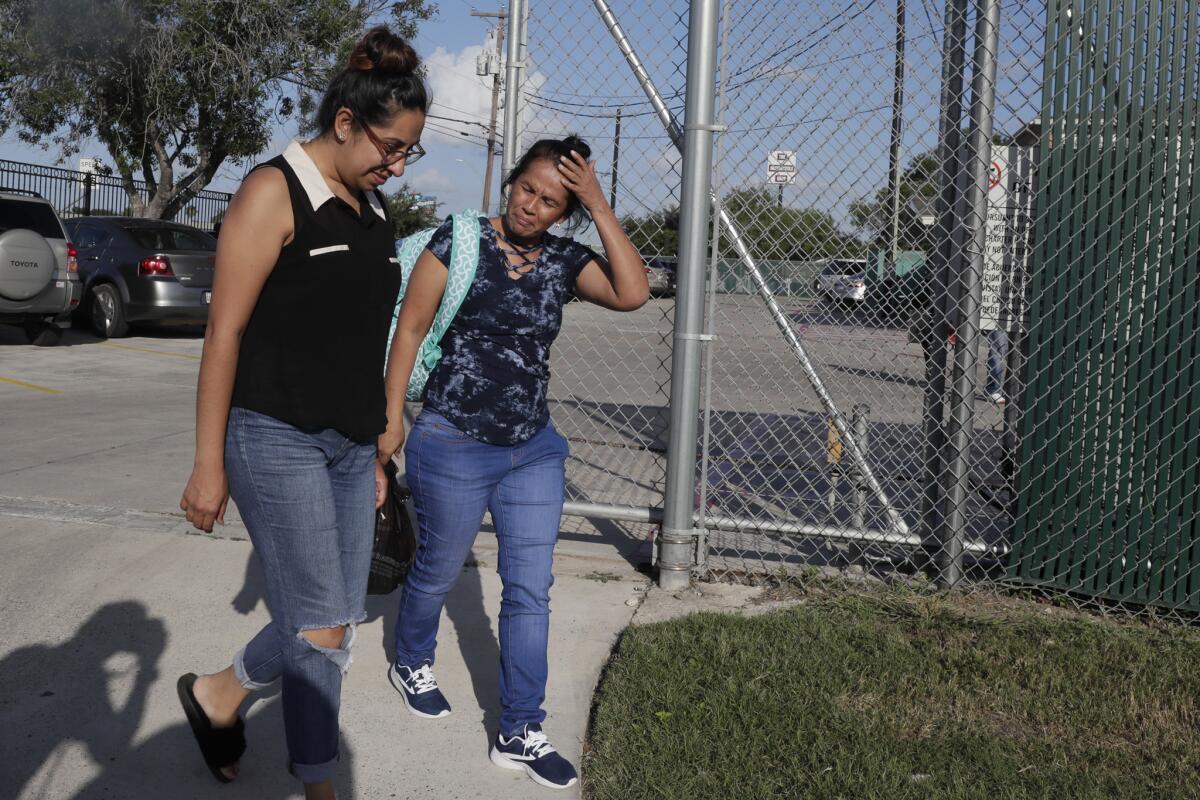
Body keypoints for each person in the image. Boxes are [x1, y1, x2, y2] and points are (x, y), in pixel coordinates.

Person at [175, 27, 427, 800]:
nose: (398, 162)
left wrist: (381, 444)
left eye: (410, 150)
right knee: (319, 632)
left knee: (337, 620)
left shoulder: (374, 210)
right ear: (345, 123)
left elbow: (363, 340)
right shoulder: (271, 192)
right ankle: (320, 785)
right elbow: (225, 333)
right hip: (272, 434)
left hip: (351, 448)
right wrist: (208, 463)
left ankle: (220, 694)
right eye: (390, 145)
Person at [378, 135, 649, 790]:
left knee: (530, 589)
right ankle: (411, 658)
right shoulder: (459, 241)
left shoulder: (563, 261)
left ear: (565, 211)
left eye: (552, 201)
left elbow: (633, 293)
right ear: (510, 183)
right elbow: (411, 328)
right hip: (452, 439)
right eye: (528, 189)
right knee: (439, 567)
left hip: (533, 448)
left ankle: (521, 729)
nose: (533, 206)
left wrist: (601, 208)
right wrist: (390, 421)